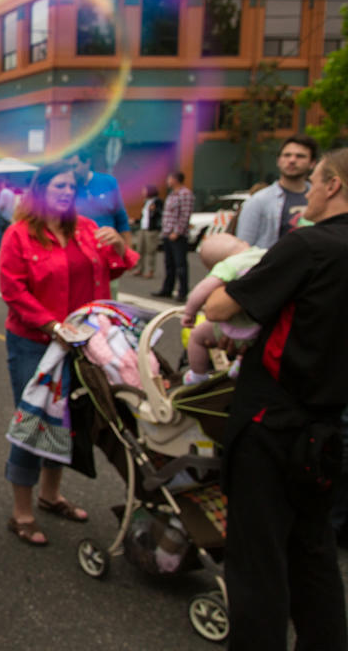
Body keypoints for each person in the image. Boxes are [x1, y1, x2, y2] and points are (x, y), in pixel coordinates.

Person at [204, 148, 348, 650]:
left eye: (314, 180)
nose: (306, 190)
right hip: (328, 425)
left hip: (271, 423)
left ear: (333, 186)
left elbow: (223, 304)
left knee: (258, 562)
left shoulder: (308, 245)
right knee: (314, 551)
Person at [0, 164, 137, 546]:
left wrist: (121, 249)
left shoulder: (89, 230)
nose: (66, 192)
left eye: (71, 187)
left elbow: (115, 268)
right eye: (58, 185)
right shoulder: (19, 235)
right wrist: (53, 327)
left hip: (82, 342)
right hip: (35, 342)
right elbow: (14, 292)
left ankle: (50, 494)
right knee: (35, 419)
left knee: (68, 417)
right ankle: (21, 511)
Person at [180, 233, 265, 385]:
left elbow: (202, 289)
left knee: (197, 336)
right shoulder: (264, 254)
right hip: (263, 325)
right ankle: (239, 364)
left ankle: (198, 375)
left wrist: (189, 313)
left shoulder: (229, 265)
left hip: (240, 328)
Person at [234, 134, 319, 249]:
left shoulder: (320, 198)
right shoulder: (258, 201)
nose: (292, 160)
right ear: (278, 161)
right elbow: (242, 247)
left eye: (300, 156)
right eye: (287, 155)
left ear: (312, 163)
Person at [67, 149, 132, 249]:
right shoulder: (67, 188)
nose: (72, 171)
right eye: (69, 167)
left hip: (108, 249)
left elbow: (121, 220)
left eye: (75, 166)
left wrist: (128, 251)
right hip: (80, 250)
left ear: (87, 162)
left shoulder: (108, 182)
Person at [154, 172, 194, 302]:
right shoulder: (172, 194)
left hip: (177, 235)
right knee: (169, 264)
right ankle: (167, 289)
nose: (167, 181)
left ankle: (182, 292)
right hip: (167, 234)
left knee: (180, 264)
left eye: (169, 178)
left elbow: (185, 215)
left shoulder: (185, 194)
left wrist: (177, 232)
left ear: (175, 180)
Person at [132, 185, 162, 279]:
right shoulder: (146, 202)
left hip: (151, 230)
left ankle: (150, 270)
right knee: (139, 249)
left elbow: (161, 213)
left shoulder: (157, 201)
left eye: (144, 191)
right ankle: (140, 268)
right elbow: (144, 216)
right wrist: (136, 221)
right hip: (143, 228)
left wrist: (155, 210)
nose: (143, 192)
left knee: (150, 251)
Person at [0, 181, 16, 250]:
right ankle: (8, 244)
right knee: (8, 231)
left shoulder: (3, 192)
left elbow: (1, 204)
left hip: (2, 214)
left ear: (4, 185)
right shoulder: (12, 193)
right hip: (9, 215)